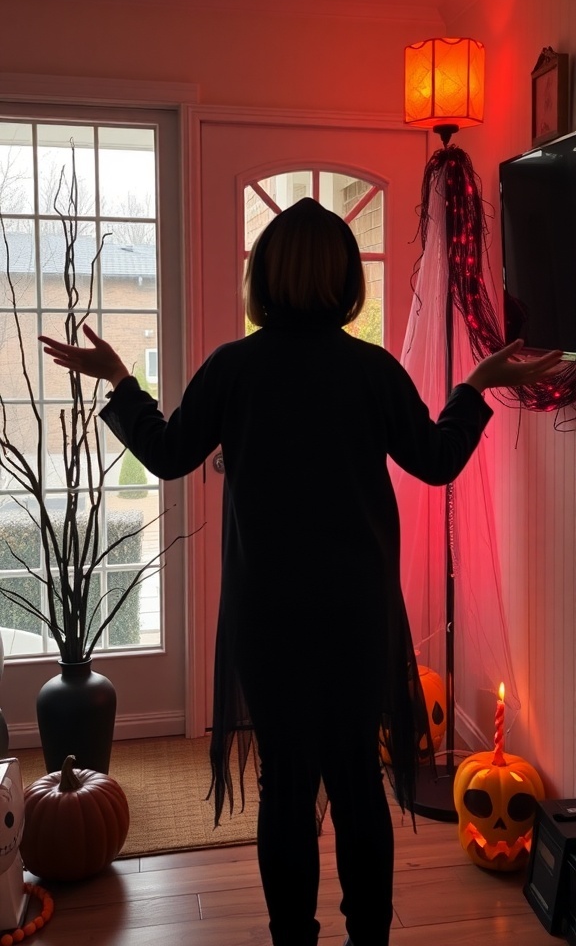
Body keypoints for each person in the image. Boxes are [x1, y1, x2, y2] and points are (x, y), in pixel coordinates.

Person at [40, 198, 562, 946]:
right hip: (357, 617)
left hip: (270, 618)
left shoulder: (235, 367)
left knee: (286, 789)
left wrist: (121, 379)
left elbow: (165, 452)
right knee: (358, 785)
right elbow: (438, 459)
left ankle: (294, 940)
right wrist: (475, 386)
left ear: (265, 277)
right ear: (347, 280)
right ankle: (368, 941)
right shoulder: (370, 370)